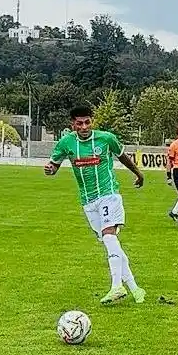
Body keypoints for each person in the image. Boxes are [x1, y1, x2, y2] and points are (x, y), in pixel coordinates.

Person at [44, 105, 147, 306]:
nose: (84, 127)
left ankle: (116, 286)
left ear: (92, 121)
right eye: (79, 123)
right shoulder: (66, 143)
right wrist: (50, 169)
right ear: (72, 124)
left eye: (87, 122)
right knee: (111, 244)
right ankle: (135, 288)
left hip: (109, 195)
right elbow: (54, 165)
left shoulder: (106, 138)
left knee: (109, 237)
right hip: (88, 201)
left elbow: (122, 156)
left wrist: (138, 173)